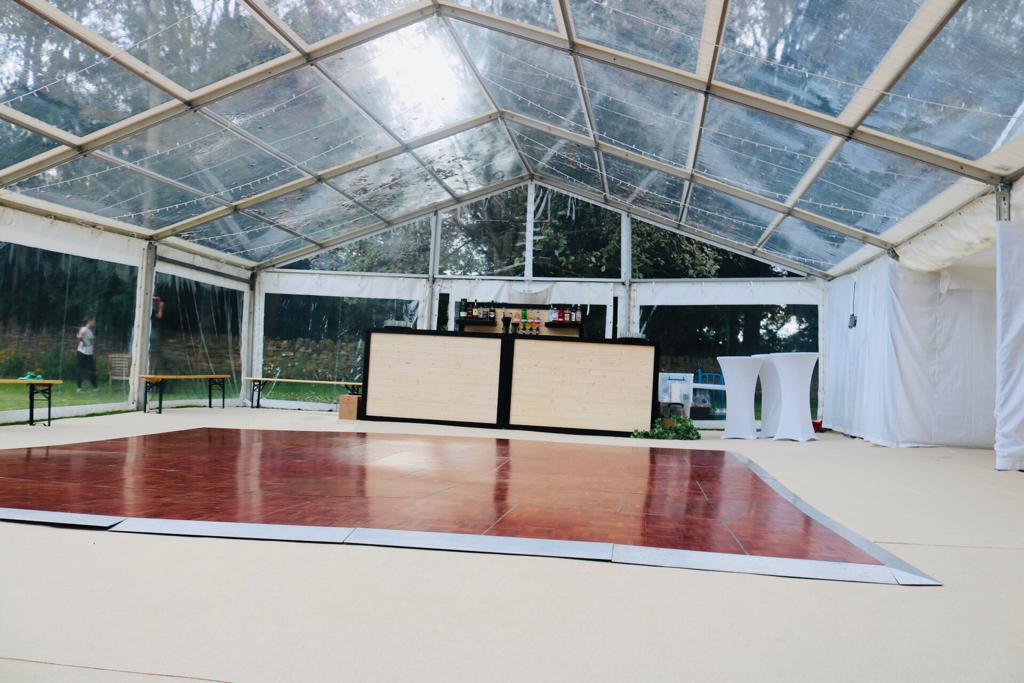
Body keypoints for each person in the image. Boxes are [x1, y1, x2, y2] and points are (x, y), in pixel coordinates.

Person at [75, 317, 98, 391]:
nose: (94, 323)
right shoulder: (84, 329)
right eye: (93, 321)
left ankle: (95, 388)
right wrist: (83, 342)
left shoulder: (91, 330)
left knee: (92, 370)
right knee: (80, 370)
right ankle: (79, 388)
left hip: (89, 353)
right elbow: (78, 336)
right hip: (82, 353)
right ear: (89, 321)